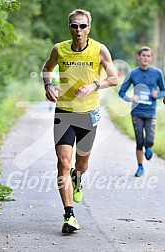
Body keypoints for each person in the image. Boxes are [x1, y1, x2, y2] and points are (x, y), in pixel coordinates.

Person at [42, 9, 118, 233]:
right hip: (64, 112)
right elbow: (47, 68)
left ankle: (78, 176)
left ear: (89, 28)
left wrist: (93, 86)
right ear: (69, 28)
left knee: (81, 164)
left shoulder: (99, 50)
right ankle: (69, 215)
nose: (78, 30)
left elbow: (113, 78)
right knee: (63, 163)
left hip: (87, 114)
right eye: (74, 26)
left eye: (82, 26)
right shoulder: (59, 49)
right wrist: (48, 85)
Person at [119, 46, 165, 177]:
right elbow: (121, 92)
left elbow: (164, 90)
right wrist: (130, 98)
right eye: (143, 55)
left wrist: (158, 94)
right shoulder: (133, 73)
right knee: (139, 141)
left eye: (148, 56)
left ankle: (149, 147)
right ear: (138, 57)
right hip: (137, 112)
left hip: (151, 112)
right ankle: (140, 167)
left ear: (151, 58)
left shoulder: (157, 73)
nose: (146, 58)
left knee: (149, 140)